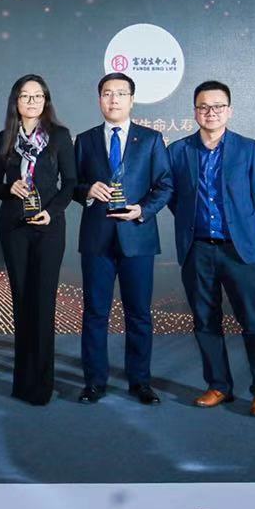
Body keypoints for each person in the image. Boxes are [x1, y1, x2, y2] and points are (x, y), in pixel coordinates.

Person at [165, 80, 255, 417]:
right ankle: (218, 386)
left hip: (240, 251)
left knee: (254, 322)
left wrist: (240, 228)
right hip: (197, 249)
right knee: (205, 321)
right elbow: (172, 198)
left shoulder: (249, 149)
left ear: (229, 111)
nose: (210, 112)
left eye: (217, 106)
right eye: (203, 106)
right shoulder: (178, 151)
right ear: (195, 111)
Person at [73, 72, 172, 405]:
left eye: (120, 93)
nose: (113, 99)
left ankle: (140, 382)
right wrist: (87, 190)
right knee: (95, 313)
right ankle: (94, 382)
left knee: (139, 313)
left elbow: (165, 185)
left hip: (137, 237)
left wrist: (142, 210)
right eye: (106, 93)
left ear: (132, 99)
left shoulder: (151, 139)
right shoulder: (85, 140)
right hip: (97, 239)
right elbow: (72, 185)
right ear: (99, 99)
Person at [0, 74, 75, 406]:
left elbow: (70, 183)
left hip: (48, 228)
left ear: (46, 100)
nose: (32, 101)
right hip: (15, 228)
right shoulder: (5, 138)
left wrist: (51, 212)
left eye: (38, 96)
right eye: (25, 96)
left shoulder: (59, 136)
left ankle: (41, 385)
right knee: (22, 301)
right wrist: (9, 187)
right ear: (16, 101)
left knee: (43, 303)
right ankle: (22, 382)